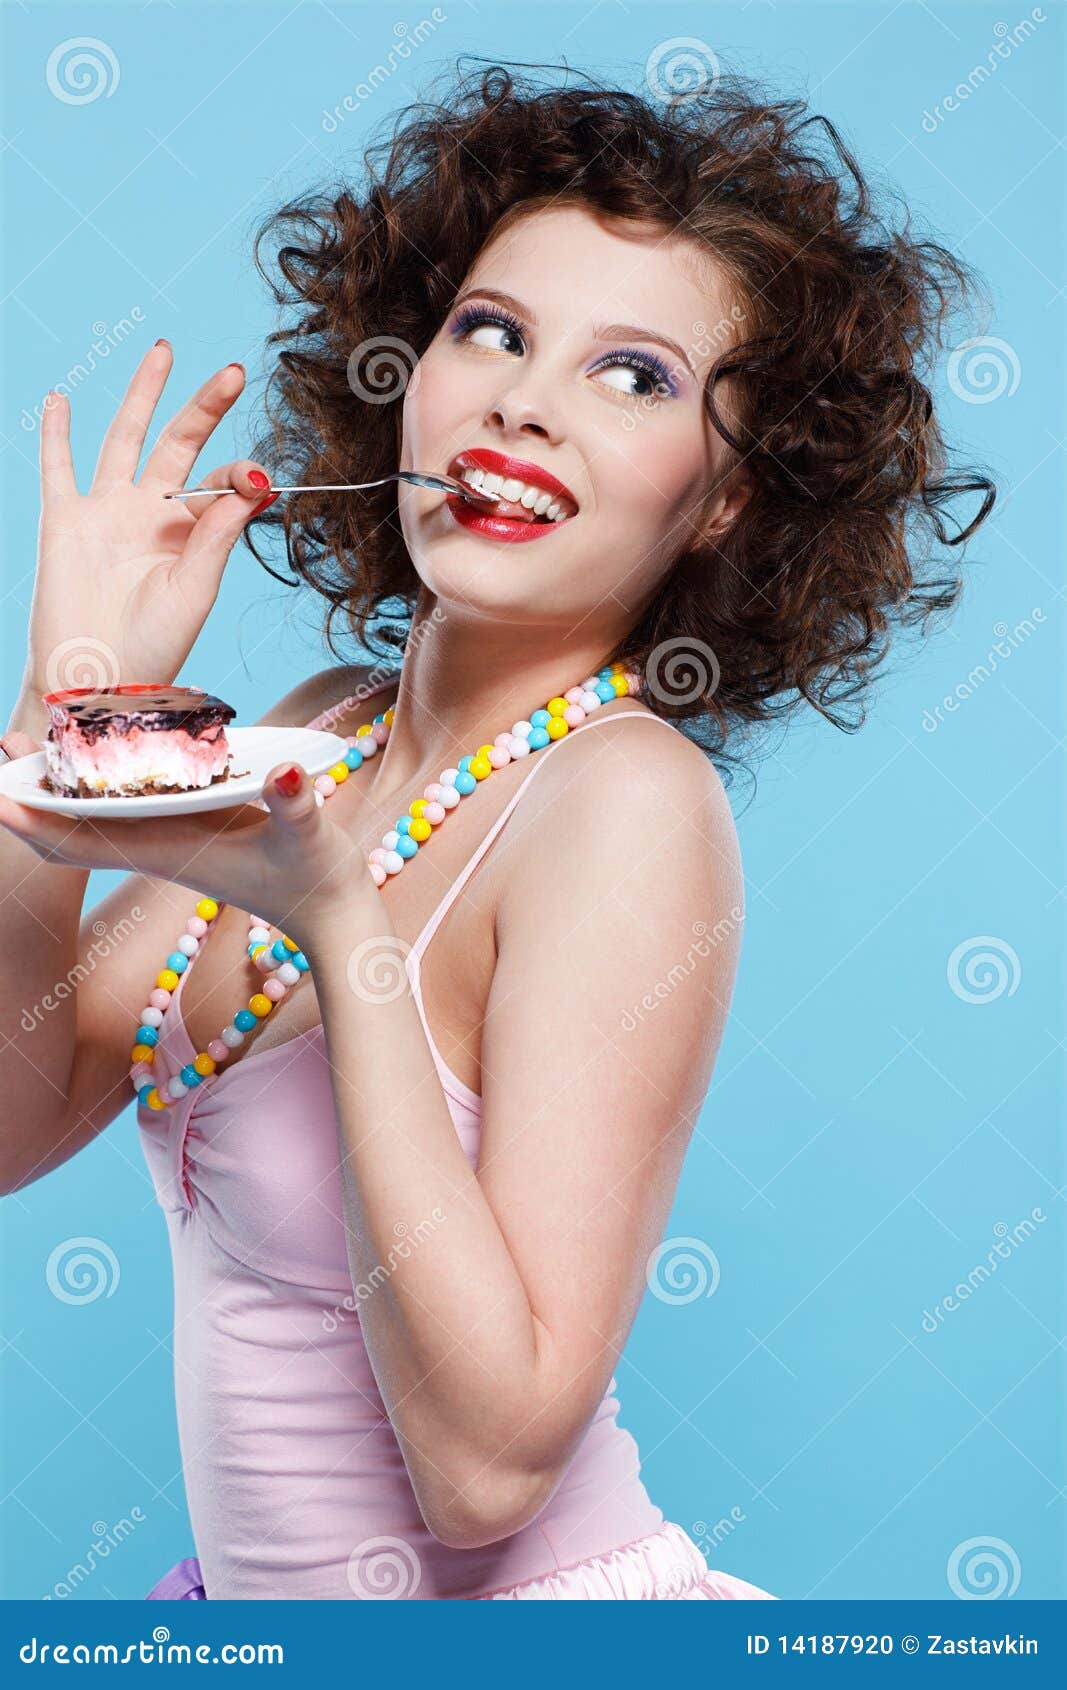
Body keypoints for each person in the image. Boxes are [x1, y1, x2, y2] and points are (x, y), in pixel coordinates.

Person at [0, 63, 994, 1600]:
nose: (528, 399)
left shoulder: (623, 800)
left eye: (638, 375)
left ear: (729, 500)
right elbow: (16, 1118)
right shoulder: (327, 727)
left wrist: (345, 931)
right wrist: (70, 709)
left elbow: (481, 1472)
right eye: (494, 331)